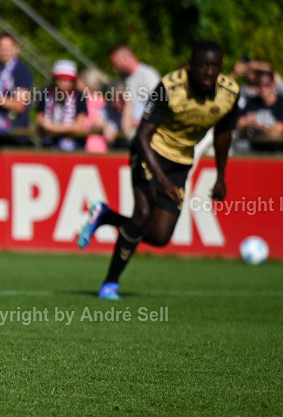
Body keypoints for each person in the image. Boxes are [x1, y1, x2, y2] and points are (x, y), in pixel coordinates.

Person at [77, 41, 239, 300]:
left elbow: (223, 133)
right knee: (141, 214)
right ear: (192, 66)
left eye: (215, 66)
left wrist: (221, 176)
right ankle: (109, 284)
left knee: (159, 236)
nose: (209, 72)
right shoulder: (170, 87)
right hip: (149, 151)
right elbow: (142, 136)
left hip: (181, 162)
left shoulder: (230, 93)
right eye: (203, 66)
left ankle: (106, 216)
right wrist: (162, 182)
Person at [34, 60, 88, 151]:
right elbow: (39, 118)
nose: (64, 83)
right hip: (48, 144)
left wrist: (54, 128)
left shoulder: (79, 96)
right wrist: (45, 124)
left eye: (68, 80)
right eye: (61, 79)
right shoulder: (45, 93)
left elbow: (79, 126)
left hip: (74, 146)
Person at [109, 44, 160, 140]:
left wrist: (142, 121)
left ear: (125, 58)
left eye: (116, 63)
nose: (114, 68)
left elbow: (158, 103)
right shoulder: (127, 79)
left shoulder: (148, 75)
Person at [236, 64, 283, 152]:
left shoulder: (281, 103)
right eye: (259, 85)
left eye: (266, 84)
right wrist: (246, 123)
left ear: (273, 84)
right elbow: (239, 125)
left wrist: (257, 125)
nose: (262, 88)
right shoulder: (252, 102)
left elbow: (279, 130)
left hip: (278, 155)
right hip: (255, 153)